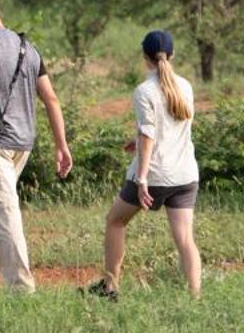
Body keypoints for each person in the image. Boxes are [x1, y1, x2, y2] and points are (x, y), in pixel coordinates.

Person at [0, 0, 73, 294]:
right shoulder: (28, 47)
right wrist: (61, 145)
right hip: (24, 143)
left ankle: (21, 289)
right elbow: (50, 98)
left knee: (4, 215)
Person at [87, 30, 202, 299]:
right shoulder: (185, 86)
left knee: (115, 221)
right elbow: (167, 127)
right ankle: (196, 299)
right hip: (185, 174)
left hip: (156, 174)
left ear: (145, 58)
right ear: (171, 55)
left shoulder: (144, 91)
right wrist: (137, 142)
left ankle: (110, 287)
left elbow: (149, 135)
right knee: (186, 240)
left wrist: (141, 180)